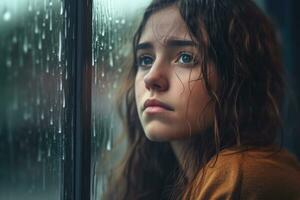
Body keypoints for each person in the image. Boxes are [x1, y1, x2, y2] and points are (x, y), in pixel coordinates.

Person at [103, 0, 300, 199]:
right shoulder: (161, 182)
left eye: (185, 58)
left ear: (237, 76)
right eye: (146, 60)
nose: (151, 78)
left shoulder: (242, 176)